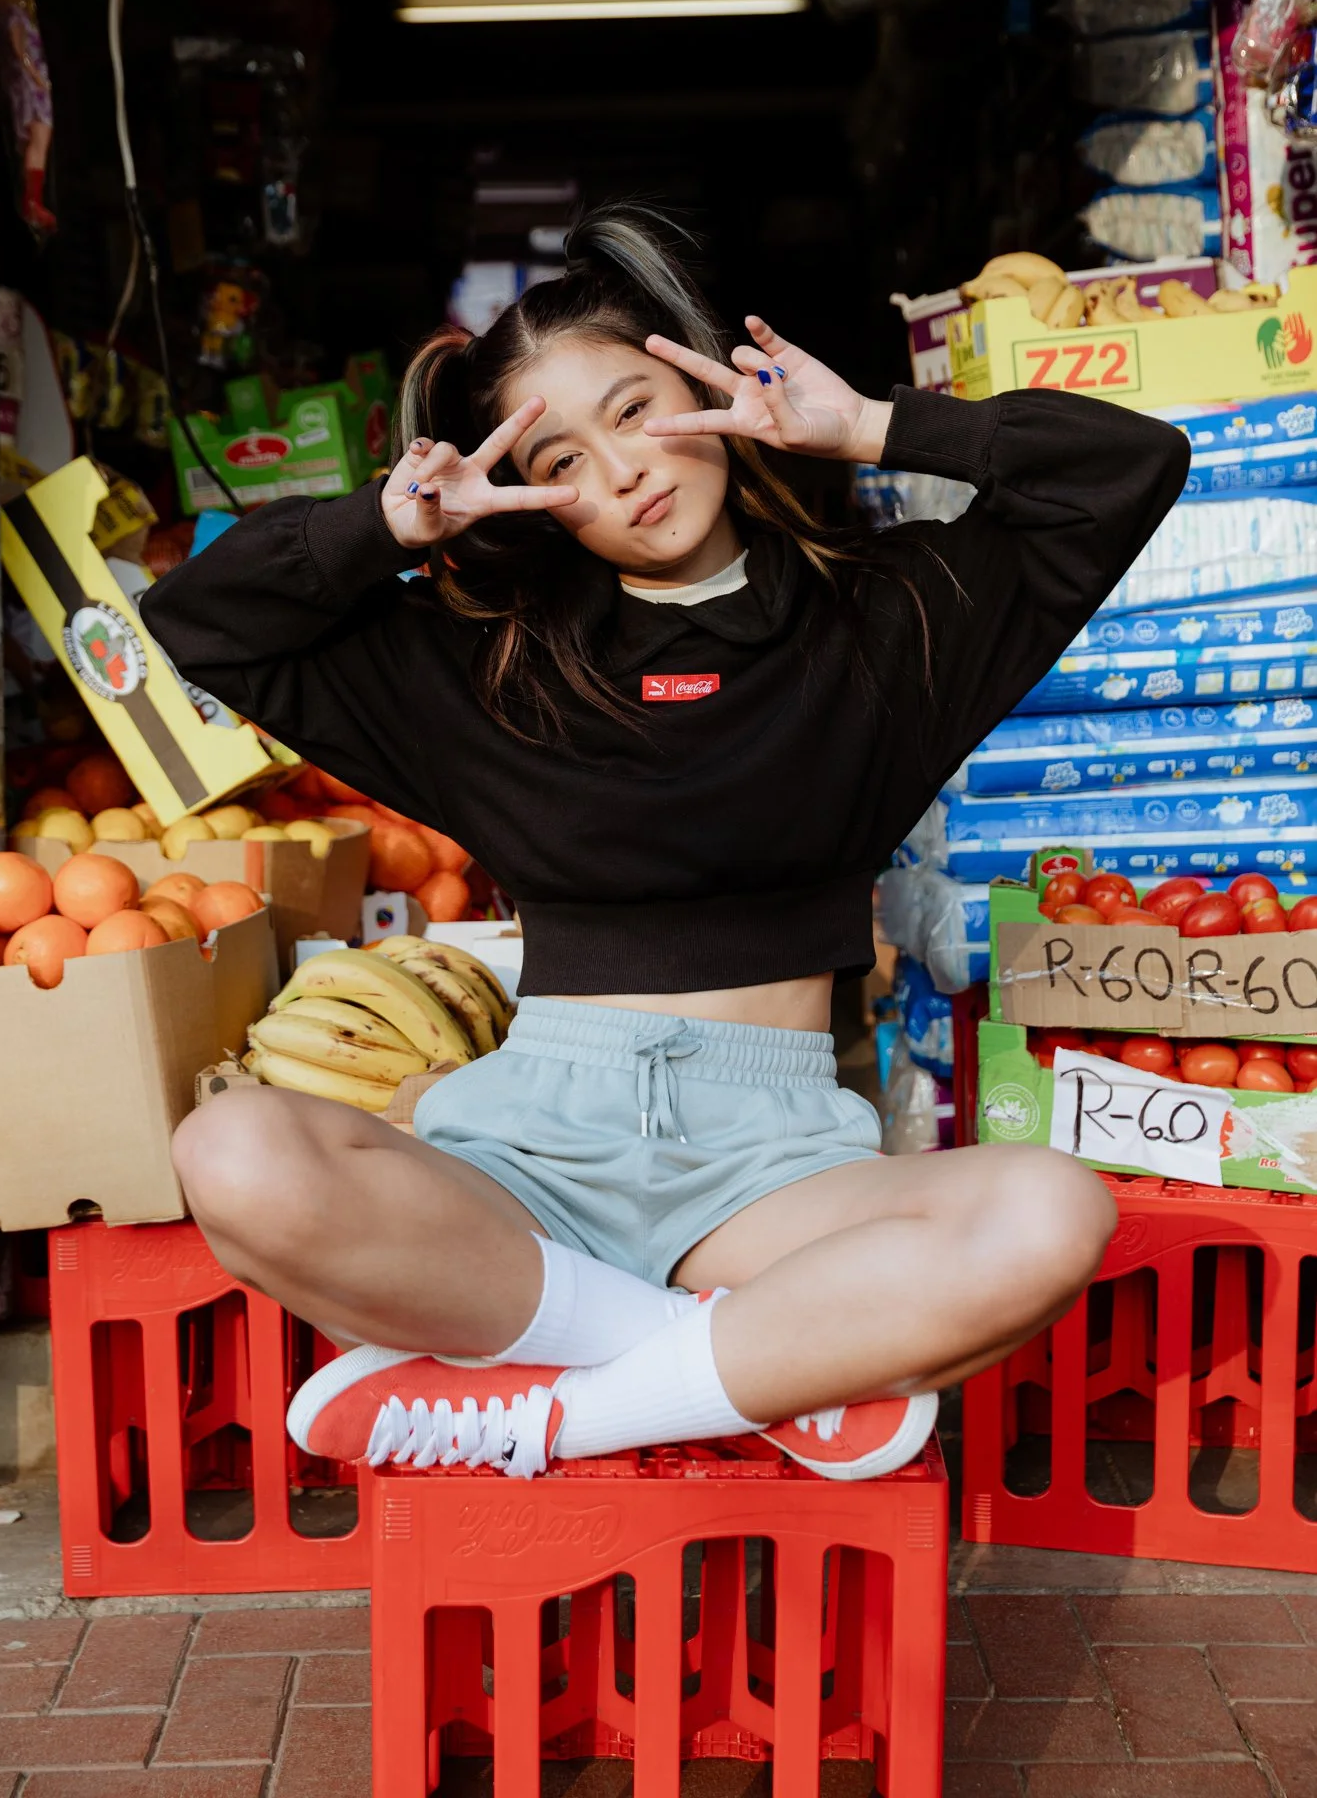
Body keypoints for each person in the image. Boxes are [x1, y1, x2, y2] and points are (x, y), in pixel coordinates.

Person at [141, 206, 1188, 1484]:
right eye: (564, 458)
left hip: (776, 1167)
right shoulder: (488, 672)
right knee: (230, 1151)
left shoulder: (887, 626)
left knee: (1052, 1210)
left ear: (709, 380)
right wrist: (389, 527)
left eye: (635, 408)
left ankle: (557, 1413)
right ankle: (718, 1362)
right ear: (537, 498)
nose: (624, 469)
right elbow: (198, 620)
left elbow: (1127, 467)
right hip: (526, 1156)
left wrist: (867, 424)